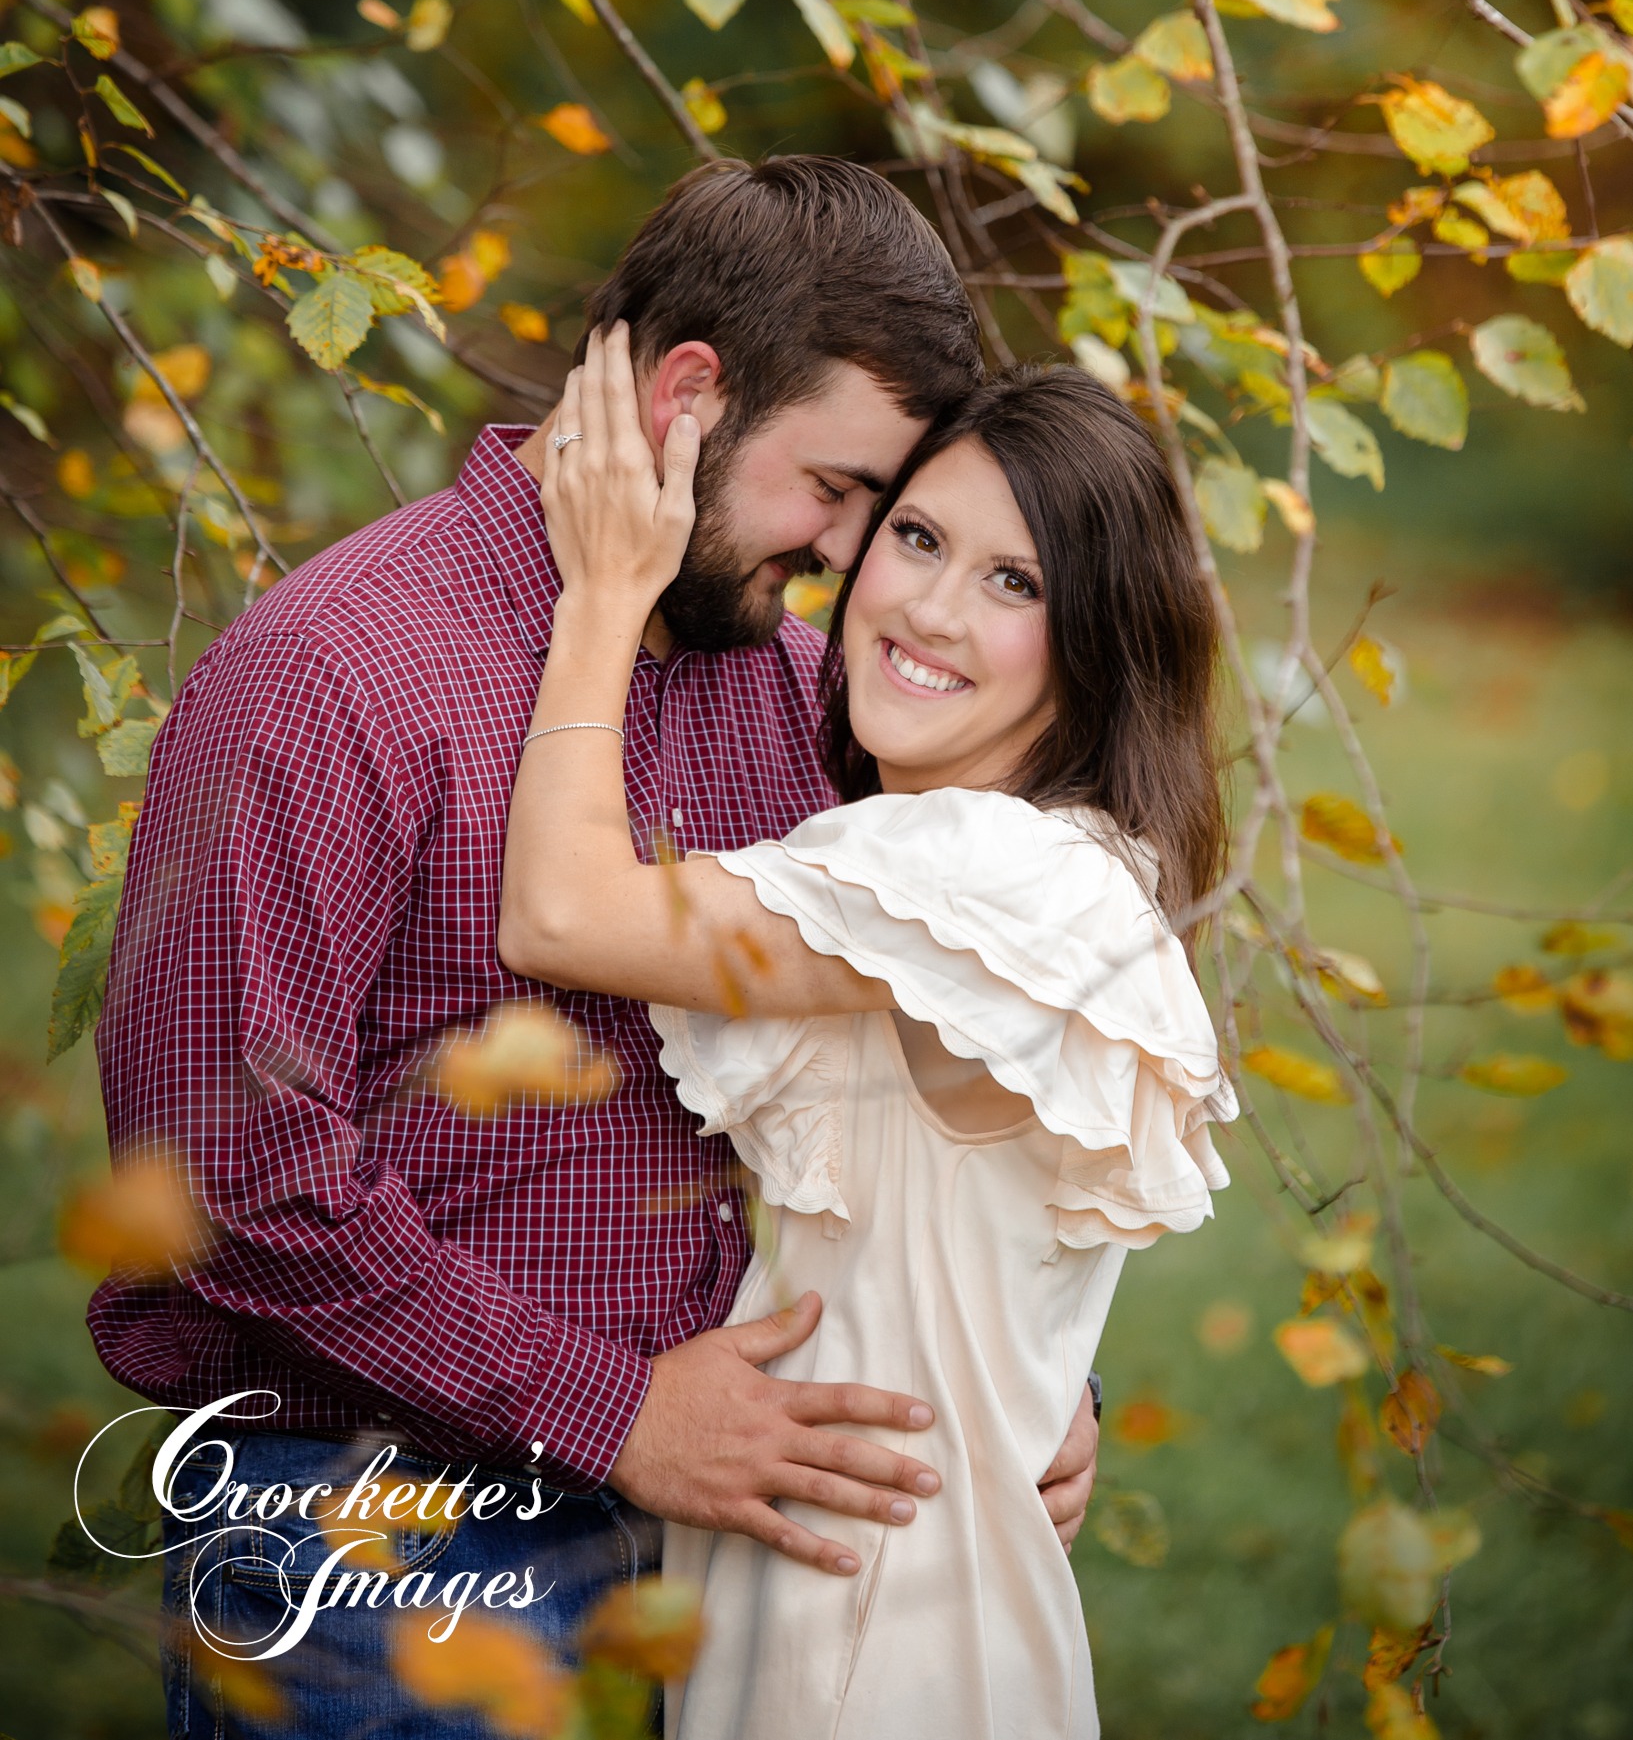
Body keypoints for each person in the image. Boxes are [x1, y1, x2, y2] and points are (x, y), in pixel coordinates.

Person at [91, 156, 1101, 1733]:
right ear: (685, 396)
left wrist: (1033, 1385)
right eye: (833, 490)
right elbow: (225, 1174)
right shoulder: (330, 673)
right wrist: (616, 1409)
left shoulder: (786, 687)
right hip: (379, 1540)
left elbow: (923, 1065)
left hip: (716, 1547)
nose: (841, 554)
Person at [499, 328, 1238, 1740]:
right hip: (863, 1599)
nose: (933, 609)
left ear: (1093, 642)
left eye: (1012, 582)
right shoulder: (1043, 861)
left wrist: (604, 593)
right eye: (914, 536)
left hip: (874, 1651)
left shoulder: (984, 872)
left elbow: (557, 911)